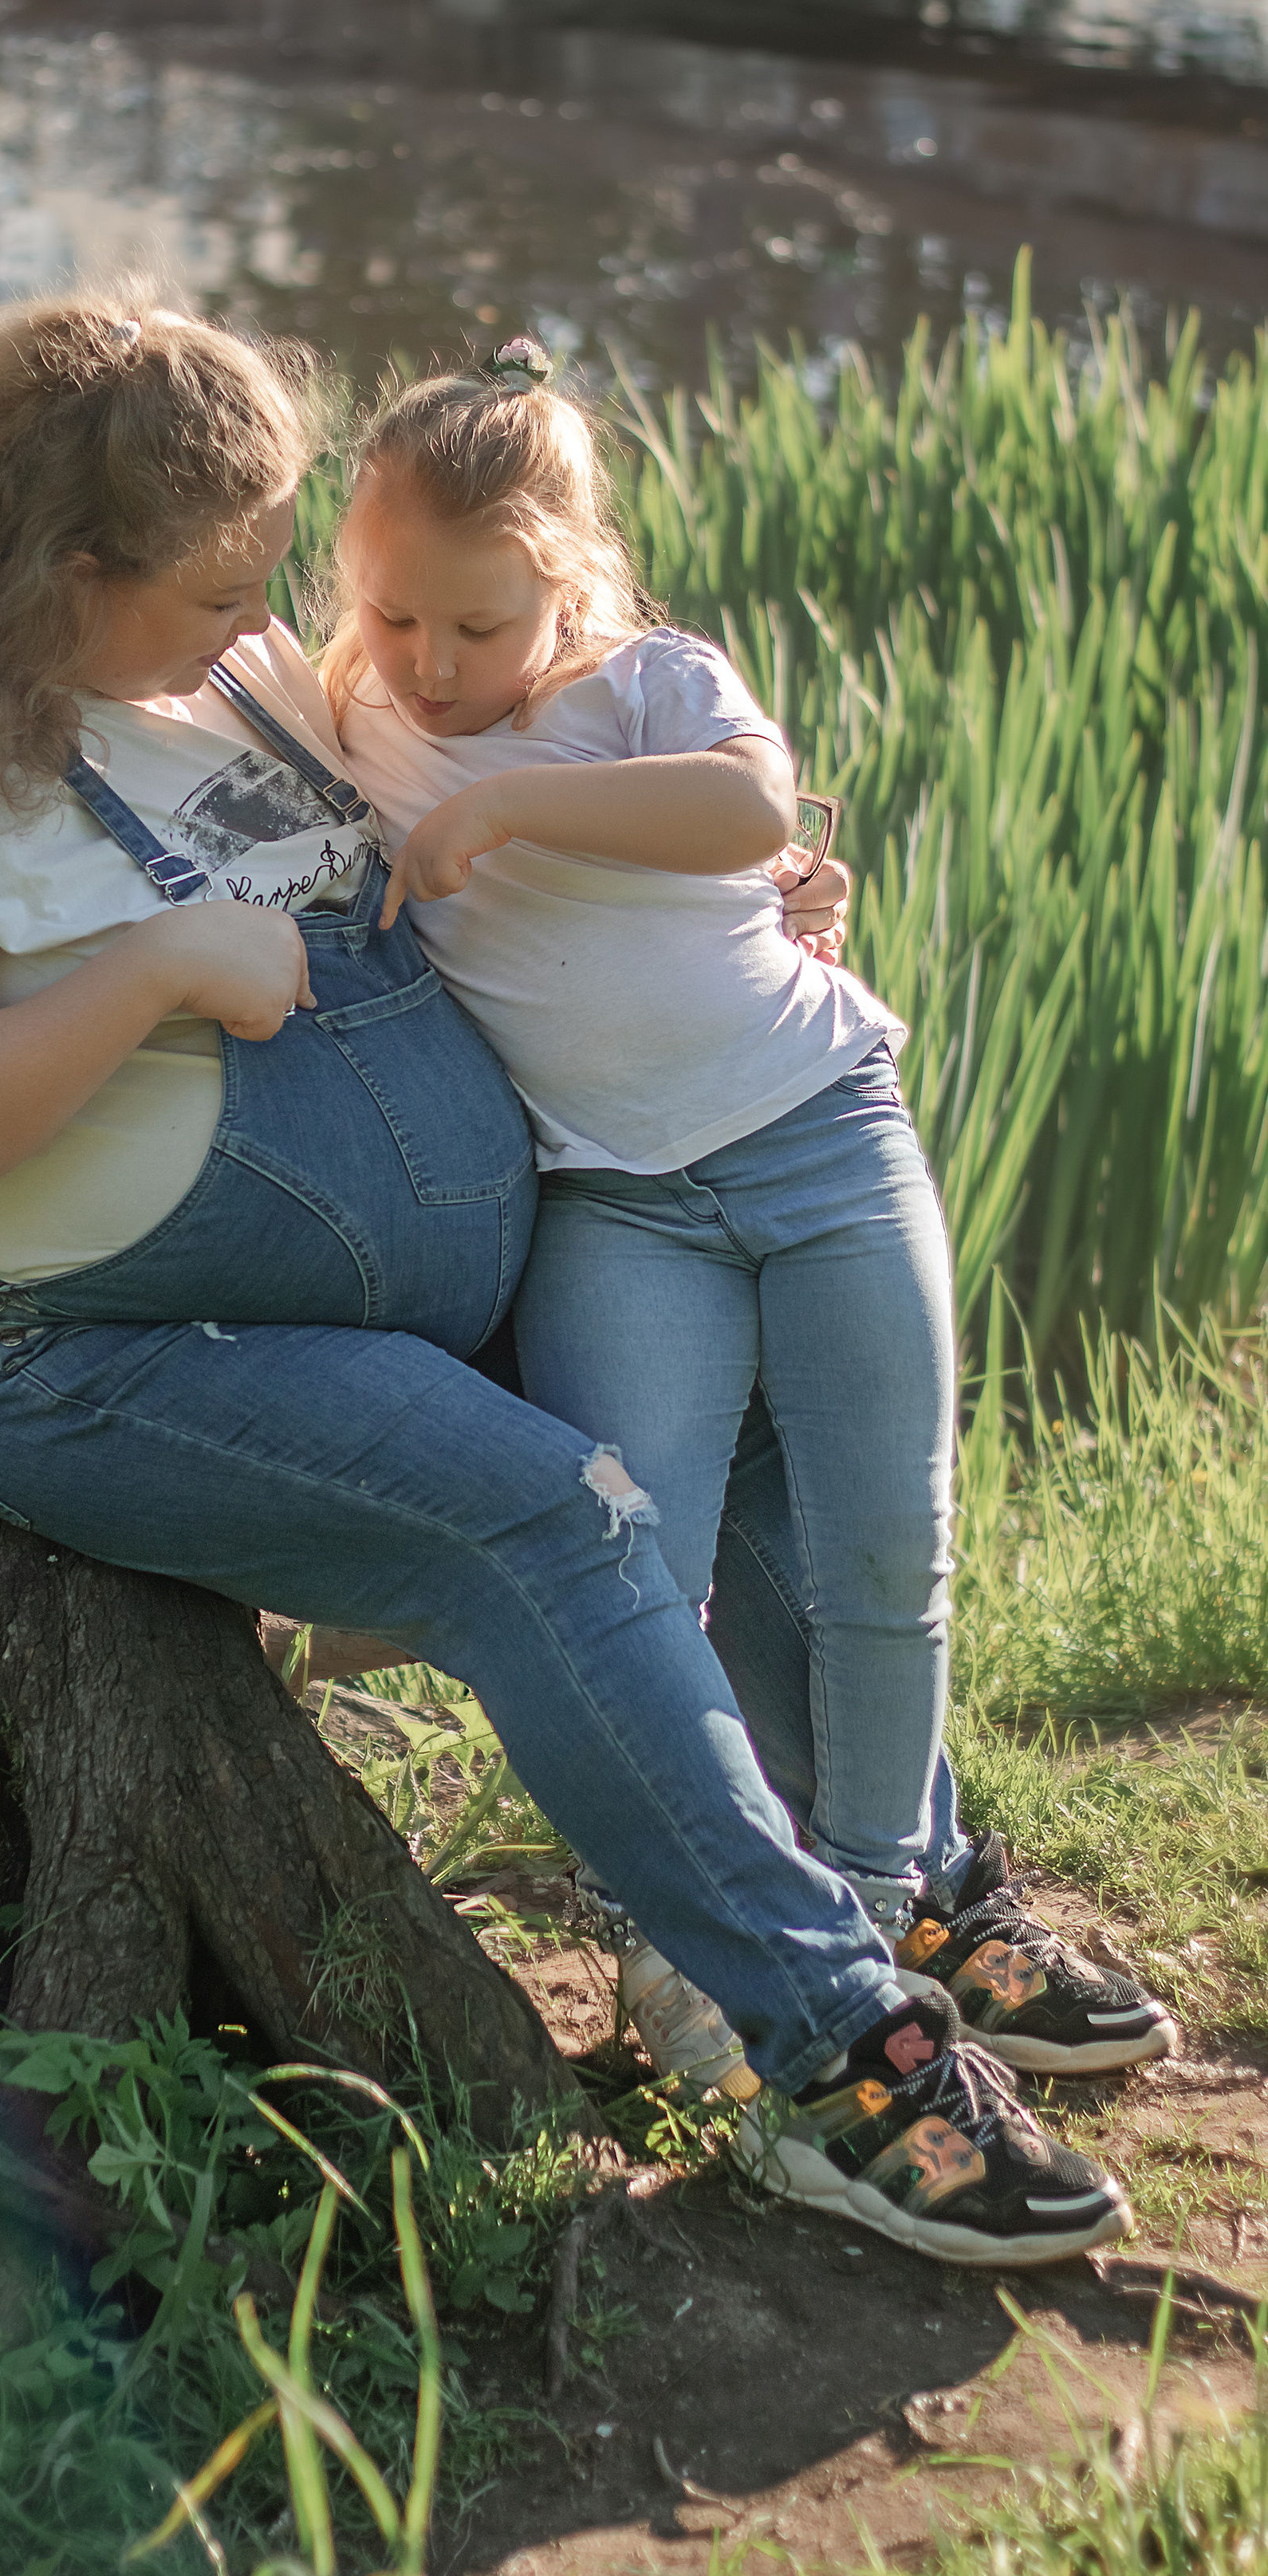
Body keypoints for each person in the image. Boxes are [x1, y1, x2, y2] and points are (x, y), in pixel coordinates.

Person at [0, 288, 1135, 2269]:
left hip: (374, 1271)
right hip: (72, 1343)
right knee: (545, 1521)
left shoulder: (222, 683)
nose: (263, 625)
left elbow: (505, 800)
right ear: (65, 569)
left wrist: (748, 889)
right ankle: (837, 2052)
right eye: (216, 585)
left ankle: (878, 1882)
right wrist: (148, 969)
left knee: (743, 1462)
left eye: (266, 580)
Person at [322, 336, 1175, 2093]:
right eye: (396, 616)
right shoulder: (345, 706)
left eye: (478, 627)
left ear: (563, 580)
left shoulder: (648, 686)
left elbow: (750, 809)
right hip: (613, 1211)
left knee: (883, 1547)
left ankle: (883, 1902)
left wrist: (510, 802)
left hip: (819, 1138)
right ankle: (692, 1929)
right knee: (645, 1577)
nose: (431, 664)